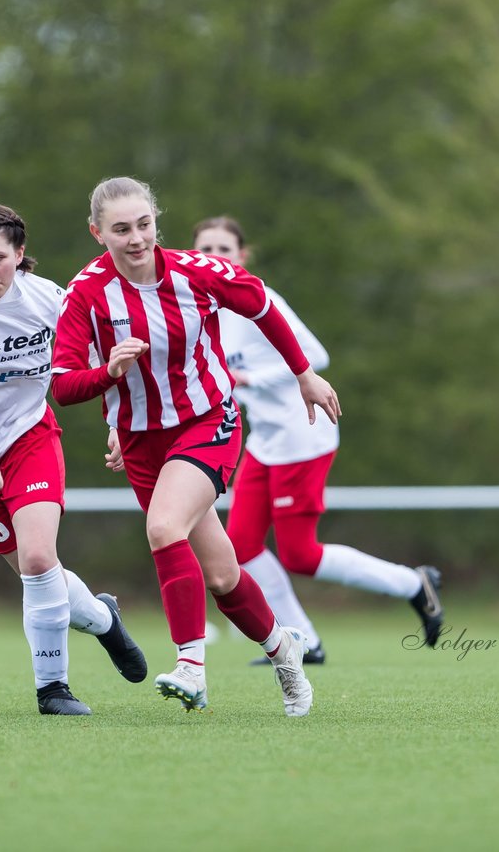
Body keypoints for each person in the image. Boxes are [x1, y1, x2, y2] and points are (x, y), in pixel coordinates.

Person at [51, 176, 340, 717]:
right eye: (120, 229)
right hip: (142, 444)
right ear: (97, 233)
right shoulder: (85, 294)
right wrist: (108, 374)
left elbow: (262, 307)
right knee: (224, 575)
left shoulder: (195, 272)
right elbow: (63, 385)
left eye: (143, 224)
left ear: (156, 221)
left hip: (208, 421)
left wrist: (303, 374)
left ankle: (191, 666)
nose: (136, 238)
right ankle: (284, 650)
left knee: (163, 528)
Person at [0, 203, 148, 716]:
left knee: (39, 559)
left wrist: (116, 423)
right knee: (38, 574)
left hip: (30, 437)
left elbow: (93, 367)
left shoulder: (49, 299)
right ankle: (104, 620)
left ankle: (52, 690)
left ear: (20, 254)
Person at [190, 217, 444, 664]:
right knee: (242, 546)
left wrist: (250, 377)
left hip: (303, 436)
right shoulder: (198, 307)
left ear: (242, 257)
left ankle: (412, 583)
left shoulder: (257, 298)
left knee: (300, 554)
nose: (214, 257)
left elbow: (317, 356)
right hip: (264, 440)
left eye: (224, 250)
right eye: (204, 248)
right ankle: (304, 641)